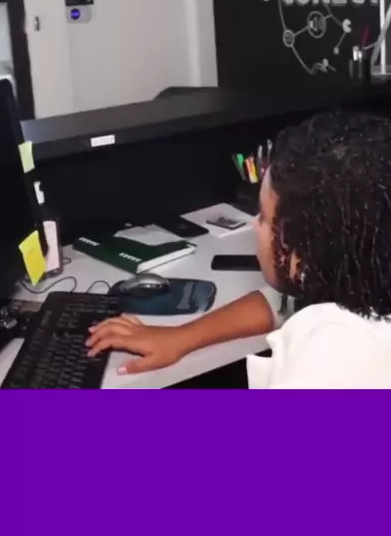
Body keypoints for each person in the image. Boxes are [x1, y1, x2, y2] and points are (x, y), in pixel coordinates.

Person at [87, 110, 391, 388]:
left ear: (300, 249)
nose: (254, 225)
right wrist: (180, 337)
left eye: (263, 217)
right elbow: (281, 303)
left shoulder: (324, 368)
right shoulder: (365, 281)